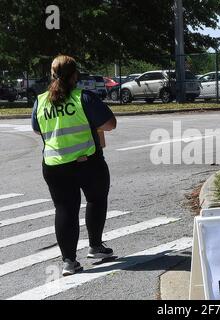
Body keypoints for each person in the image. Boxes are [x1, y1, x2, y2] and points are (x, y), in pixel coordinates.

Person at [31, 55, 117, 276]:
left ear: (52, 75)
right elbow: (110, 124)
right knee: (96, 200)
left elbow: (37, 129)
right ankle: (95, 247)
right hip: (87, 161)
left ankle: (69, 262)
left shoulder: (40, 100)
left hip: (54, 165)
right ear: (75, 75)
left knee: (65, 209)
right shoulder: (83, 98)